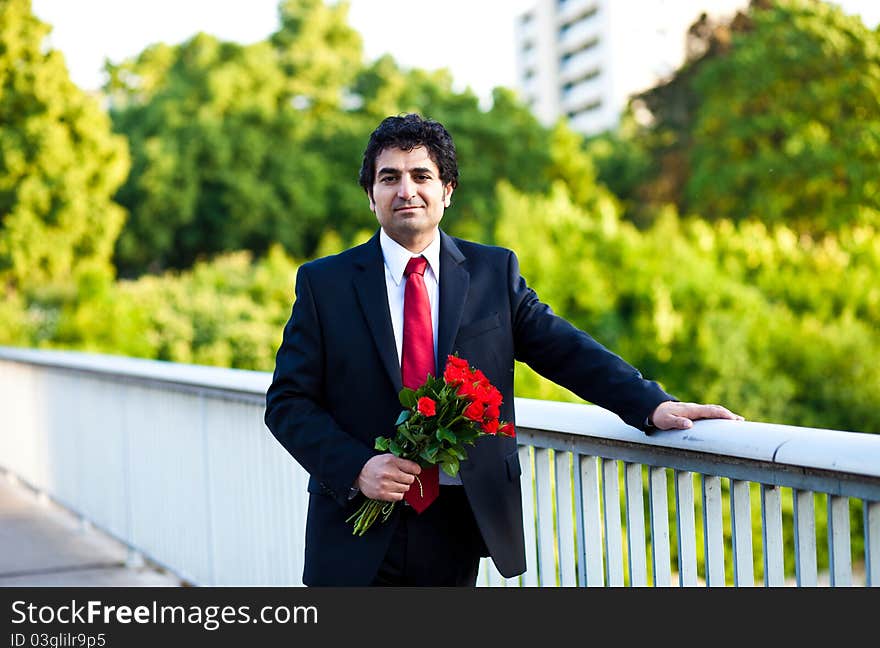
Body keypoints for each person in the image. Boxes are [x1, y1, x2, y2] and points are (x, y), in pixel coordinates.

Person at [264, 113, 743, 587]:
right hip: (352, 526)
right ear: (371, 196)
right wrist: (358, 468)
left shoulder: (493, 273)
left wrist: (651, 404)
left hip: (455, 518)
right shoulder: (324, 284)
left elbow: (565, 349)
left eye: (421, 176)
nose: (405, 190)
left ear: (447, 191)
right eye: (389, 178)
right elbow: (288, 403)